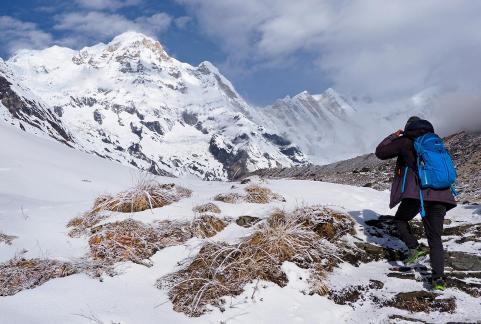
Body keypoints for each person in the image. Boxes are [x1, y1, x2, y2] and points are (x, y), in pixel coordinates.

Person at [375, 116, 456, 291]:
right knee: (435, 238)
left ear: (408, 127)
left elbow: (380, 152)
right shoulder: (436, 143)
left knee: (400, 220)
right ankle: (438, 280)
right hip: (442, 196)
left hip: (418, 194)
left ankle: (414, 247)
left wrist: (392, 136)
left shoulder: (406, 141)